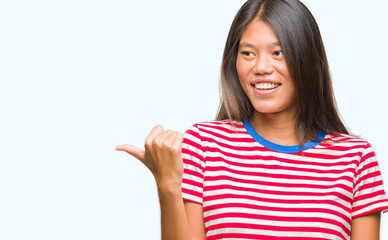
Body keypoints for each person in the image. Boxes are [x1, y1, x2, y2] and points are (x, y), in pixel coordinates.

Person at [116, 0, 388, 239]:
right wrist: (167, 183)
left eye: (278, 52)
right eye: (248, 53)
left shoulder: (356, 159)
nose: (260, 67)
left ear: (306, 58)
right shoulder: (203, 145)